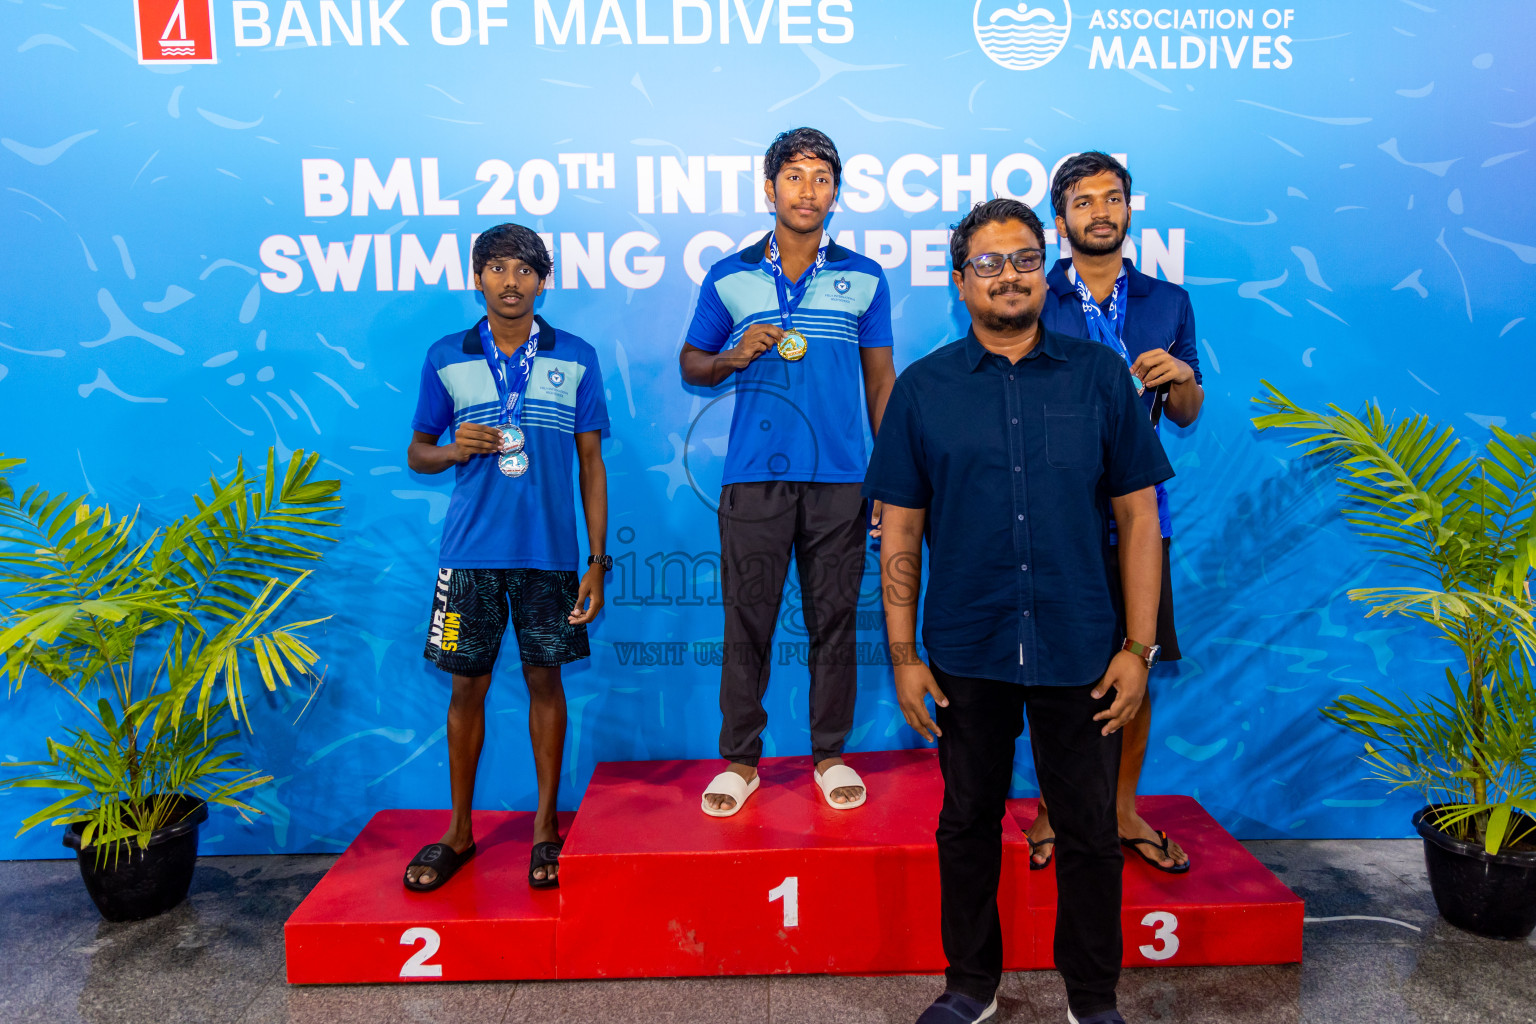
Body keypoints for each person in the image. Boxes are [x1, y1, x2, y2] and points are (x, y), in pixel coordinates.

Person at [865, 198, 1172, 1024]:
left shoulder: (1100, 376)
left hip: (1081, 645)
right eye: (991, 263)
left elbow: (1140, 516)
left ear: (1047, 269)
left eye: (1025, 259)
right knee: (966, 824)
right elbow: (900, 525)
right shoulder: (924, 390)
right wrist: (903, 653)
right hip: (967, 647)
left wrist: (1138, 648)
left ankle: (1092, 997)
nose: (1010, 276)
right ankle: (970, 985)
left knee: (1088, 831)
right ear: (961, 280)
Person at [679, 127, 896, 816]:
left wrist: (890, 479)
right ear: (769, 188)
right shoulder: (729, 274)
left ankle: (830, 754)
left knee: (836, 621)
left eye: (822, 178)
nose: (809, 190)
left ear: (837, 191)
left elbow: (881, 384)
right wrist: (732, 355)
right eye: (795, 177)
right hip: (753, 478)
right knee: (749, 620)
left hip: (842, 480)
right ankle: (741, 759)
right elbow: (692, 364)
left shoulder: (864, 276)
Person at [402, 223, 610, 891]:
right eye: (496, 267)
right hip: (468, 558)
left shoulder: (575, 356)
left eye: (524, 269)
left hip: (550, 557)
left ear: (542, 279)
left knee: (546, 684)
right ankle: (459, 833)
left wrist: (598, 562)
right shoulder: (445, 356)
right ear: (478, 277)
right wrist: (453, 448)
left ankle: (545, 830)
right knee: (467, 689)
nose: (510, 280)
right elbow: (418, 453)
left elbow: (591, 464)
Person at [1029, 151, 1204, 874]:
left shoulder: (1168, 301)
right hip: (1051, 518)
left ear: (1131, 210)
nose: (1100, 211)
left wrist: (1183, 376)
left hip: (1141, 521)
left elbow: (1188, 413)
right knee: (1049, 674)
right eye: (1083, 200)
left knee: (1135, 662)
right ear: (1061, 218)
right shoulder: (1034, 296)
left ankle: (1124, 809)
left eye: (1113, 198)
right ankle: (1048, 810)